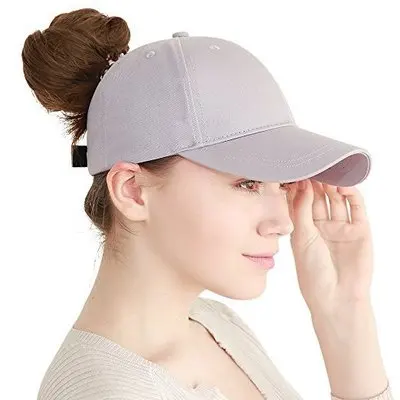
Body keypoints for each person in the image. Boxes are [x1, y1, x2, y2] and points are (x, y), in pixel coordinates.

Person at [22, 7, 395, 400]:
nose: (283, 223)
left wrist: (344, 311)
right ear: (132, 190)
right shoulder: (106, 392)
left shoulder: (212, 325)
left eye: (282, 184)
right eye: (247, 183)